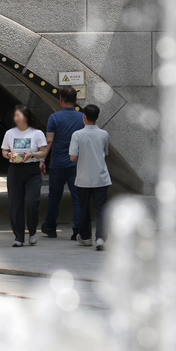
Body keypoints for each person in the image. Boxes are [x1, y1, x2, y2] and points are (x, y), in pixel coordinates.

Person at [1, 105, 49, 247]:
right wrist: (9, 154)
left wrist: (32, 155)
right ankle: (19, 237)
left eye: (18, 115)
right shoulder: (10, 133)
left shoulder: (37, 133)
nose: (16, 118)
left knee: (32, 203)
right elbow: (4, 151)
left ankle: (32, 231)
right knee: (15, 205)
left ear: (26, 117)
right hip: (15, 170)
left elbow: (44, 152)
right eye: (14, 116)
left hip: (32, 169)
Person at [41, 86, 84, 240]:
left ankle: (50, 227)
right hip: (77, 164)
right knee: (78, 197)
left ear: (60, 99)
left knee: (54, 196)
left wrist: (41, 160)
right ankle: (78, 230)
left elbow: (49, 141)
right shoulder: (83, 117)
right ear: (76, 100)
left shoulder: (54, 118)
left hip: (58, 163)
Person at [69, 105, 110, 250]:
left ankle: (86, 237)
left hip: (83, 178)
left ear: (83, 117)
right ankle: (100, 238)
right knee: (101, 209)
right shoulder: (104, 134)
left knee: (84, 208)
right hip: (101, 176)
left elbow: (73, 157)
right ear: (98, 117)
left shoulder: (77, 135)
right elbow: (105, 152)